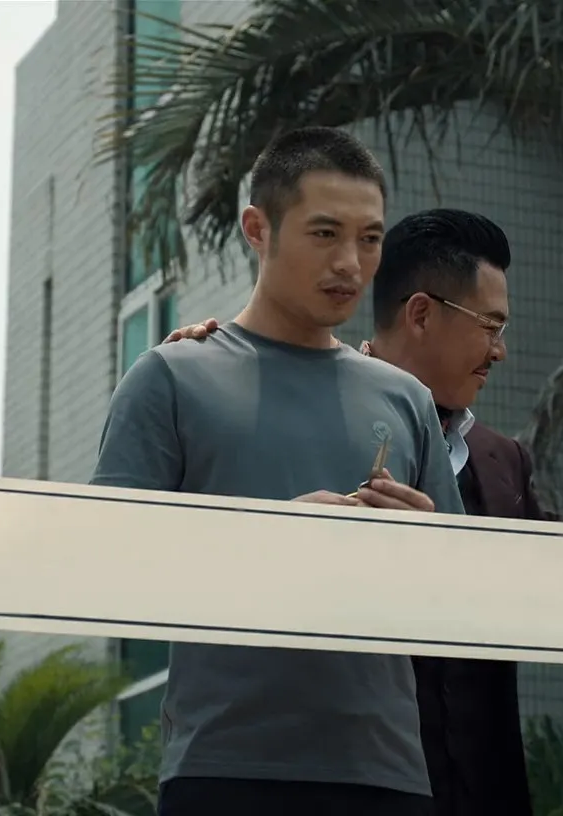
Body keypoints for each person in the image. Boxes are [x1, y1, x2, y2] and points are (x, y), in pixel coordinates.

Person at [90, 126, 465, 816]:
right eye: (325, 234)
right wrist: (268, 539)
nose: (350, 263)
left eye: (370, 238)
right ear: (257, 229)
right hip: (226, 768)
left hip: (386, 775)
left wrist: (429, 548)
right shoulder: (171, 377)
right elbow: (104, 565)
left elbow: (461, 604)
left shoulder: (407, 399)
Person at [166, 208, 545, 816]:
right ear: (420, 314)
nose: (499, 350)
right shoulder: (275, 412)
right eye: (491, 326)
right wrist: (202, 375)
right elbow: (170, 558)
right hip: (322, 782)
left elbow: (543, 605)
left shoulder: (505, 463)